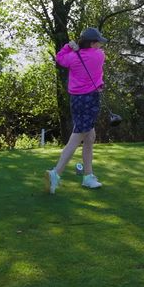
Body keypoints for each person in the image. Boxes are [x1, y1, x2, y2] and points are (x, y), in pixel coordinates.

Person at [46, 27, 109, 194]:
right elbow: (93, 56)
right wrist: (78, 50)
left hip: (76, 100)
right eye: (98, 42)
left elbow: (60, 59)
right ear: (92, 43)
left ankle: (88, 177)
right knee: (78, 137)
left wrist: (69, 47)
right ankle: (56, 173)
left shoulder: (72, 57)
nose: (100, 45)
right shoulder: (99, 55)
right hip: (90, 99)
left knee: (90, 136)